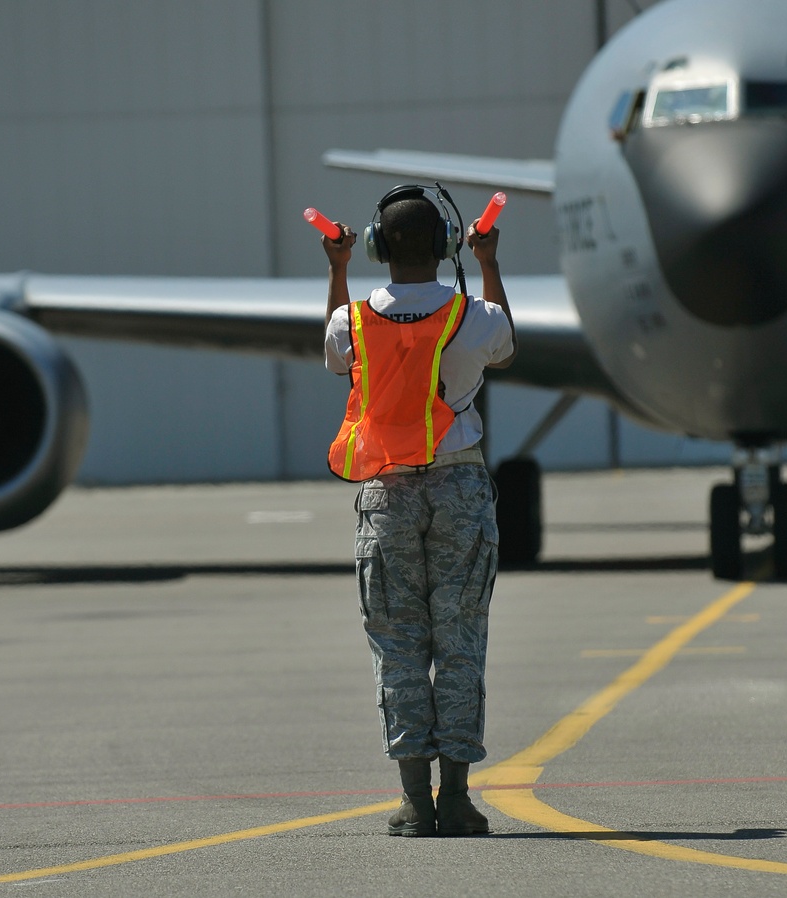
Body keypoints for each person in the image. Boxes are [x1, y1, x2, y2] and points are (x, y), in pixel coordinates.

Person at [320, 184, 516, 837]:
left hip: (386, 494)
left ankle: (413, 801)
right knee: (460, 642)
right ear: (446, 246)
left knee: (397, 645)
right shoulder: (474, 316)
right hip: (459, 487)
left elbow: (336, 359)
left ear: (378, 248)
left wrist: (337, 270)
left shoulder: (352, 318)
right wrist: (488, 264)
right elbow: (507, 345)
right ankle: (457, 799)